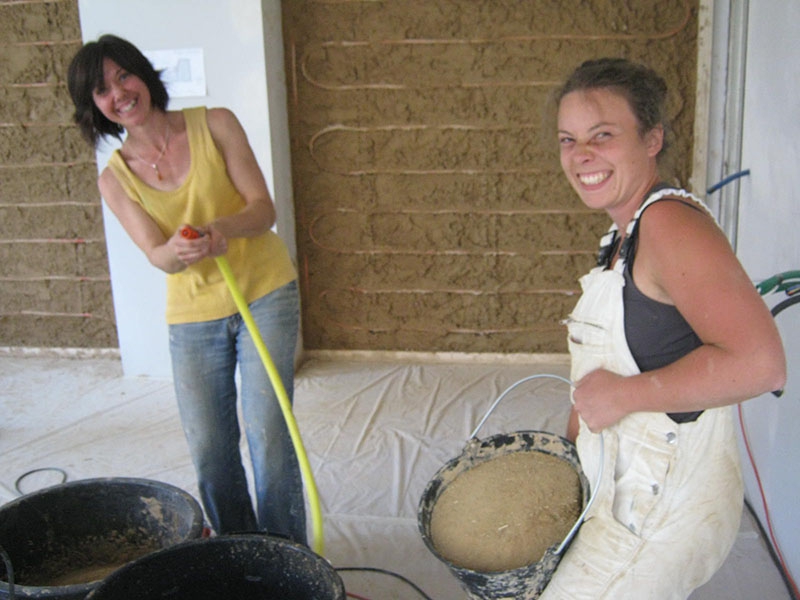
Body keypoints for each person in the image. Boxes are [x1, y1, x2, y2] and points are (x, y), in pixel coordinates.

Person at [542, 57, 786, 599]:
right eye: (568, 139)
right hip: (622, 484)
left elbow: (760, 363)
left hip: (662, 507)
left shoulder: (669, 224)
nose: (581, 156)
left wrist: (626, 395)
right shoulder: (622, 234)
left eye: (602, 135)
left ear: (651, 139)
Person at [67, 34, 307, 544]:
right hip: (193, 317)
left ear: (143, 76)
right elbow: (156, 254)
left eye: (123, 76)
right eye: (102, 90)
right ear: (94, 107)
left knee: (269, 436)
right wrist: (175, 252)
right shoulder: (115, 180)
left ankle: (287, 556)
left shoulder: (214, 123)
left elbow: (263, 209)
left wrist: (222, 231)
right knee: (210, 448)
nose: (119, 93)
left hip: (264, 292)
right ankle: (239, 556)